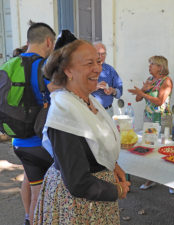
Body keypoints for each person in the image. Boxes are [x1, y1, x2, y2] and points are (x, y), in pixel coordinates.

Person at [33, 40, 130, 224]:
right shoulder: (64, 112)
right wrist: (117, 191)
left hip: (97, 197)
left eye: (98, 61)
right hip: (78, 205)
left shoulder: (86, 101)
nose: (98, 69)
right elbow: (77, 182)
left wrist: (112, 165)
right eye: (89, 63)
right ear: (68, 71)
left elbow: (94, 145)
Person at [10, 21, 55, 225]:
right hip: (39, 143)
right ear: (48, 41)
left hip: (17, 140)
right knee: (41, 195)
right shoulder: (44, 67)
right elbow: (62, 98)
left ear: (28, 41)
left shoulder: (9, 65)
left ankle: (29, 218)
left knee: (29, 179)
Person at [128, 55, 173, 193]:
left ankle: (171, 182)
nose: (149, 66)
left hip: (163, 118)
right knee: (149, 147)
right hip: (149, 118)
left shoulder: (167, 81)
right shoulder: (149, 80)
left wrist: (144, 92)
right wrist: (143, 90)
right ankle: (151, 178)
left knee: (165, 149)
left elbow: (160, 101)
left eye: (152, 64)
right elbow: (137, 98)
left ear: (160, 67)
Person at [92, 42, 123, 117]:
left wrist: (113, 91)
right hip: (91, 111)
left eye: (103, 54)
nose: (101, 57)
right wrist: (94, 87)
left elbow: (119, 91)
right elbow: (78, 91)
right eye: (98, 54)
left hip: (108, 111)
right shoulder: (85, 69)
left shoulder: (110, 70)